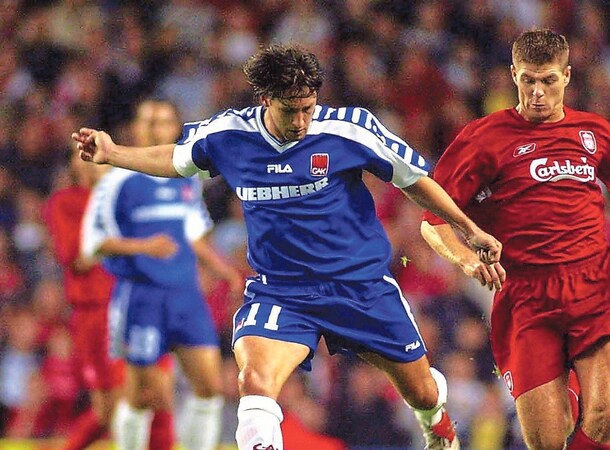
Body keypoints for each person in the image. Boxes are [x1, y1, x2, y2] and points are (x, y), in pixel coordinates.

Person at [72, 44, 502, 450]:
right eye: (289, 110)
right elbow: (176, 159)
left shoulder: (348, 129)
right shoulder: (228, 135)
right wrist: (114, 153)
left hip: (360, 287)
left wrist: (469, 230)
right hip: (281, 291)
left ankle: (436, 422)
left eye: (307, 109)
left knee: (422, 391)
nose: (300, 121)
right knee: (254, 383)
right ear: (264, 101)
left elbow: (416, 180)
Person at [420, 29, 610, 450]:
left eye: (548, 80)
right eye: (527, 80)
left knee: (606, 414)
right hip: (526, 297)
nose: (537, 92)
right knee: (548, 441)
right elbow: (431, 223)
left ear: (566, 76)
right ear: (513, 75)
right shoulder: (482, 139)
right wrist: (467, 261)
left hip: (593, 284)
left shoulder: (594, 131)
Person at [78, 99, 239, 450]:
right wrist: (143, 247)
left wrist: (224, 270)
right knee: (144, 395)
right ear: (135, 128)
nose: (155, 128)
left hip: (185, 296)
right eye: (148, 121)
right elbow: (92, 244)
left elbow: (192, 234)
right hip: (142, 297)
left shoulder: (186, 179)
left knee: (211, 387)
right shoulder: (116, 180)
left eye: (163, 121)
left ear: (174, 129)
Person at [43, 153, 174, 449]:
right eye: (81, 155)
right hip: (98, 313)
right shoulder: (66, 203)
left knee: (159, 394)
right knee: (112, 408)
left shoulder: (127, 197)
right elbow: (78, 260)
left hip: (140, 303)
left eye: (96, 155)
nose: (91, 162)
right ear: (74, 165)